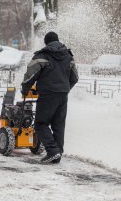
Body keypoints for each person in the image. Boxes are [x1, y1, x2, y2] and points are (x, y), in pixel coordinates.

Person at [21, 32, 78, 164]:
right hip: (63, 95)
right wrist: (64, 89)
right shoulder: (68, 56)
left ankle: (52, 150)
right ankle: (57, 154)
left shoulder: (42, 55)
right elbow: (75, 77)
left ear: (46, 42)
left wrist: (25, 89)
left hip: (47, 94)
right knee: (59, 125)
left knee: (40, 124)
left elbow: (30, 74)